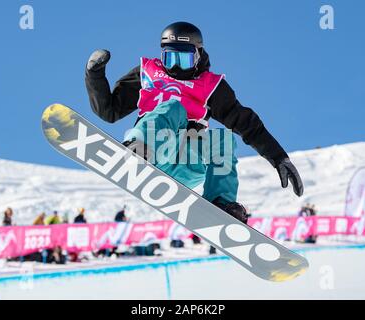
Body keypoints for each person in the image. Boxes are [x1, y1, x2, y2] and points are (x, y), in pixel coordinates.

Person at [85, 21, 304, 224]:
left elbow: (246, 123)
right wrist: (95, 76)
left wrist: (278, 157)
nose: (178, 68)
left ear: (198, 55)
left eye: (185, 59)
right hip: (155, 150)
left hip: (189, 162)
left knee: (223, 139)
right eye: (171, 59)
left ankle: (221, 203)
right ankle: (137, 149)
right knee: (172, 107)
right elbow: (109, 111)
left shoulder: (211, 87)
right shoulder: (148, 74)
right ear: (162, 55)